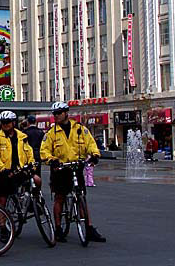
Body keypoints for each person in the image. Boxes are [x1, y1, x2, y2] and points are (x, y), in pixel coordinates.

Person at [40, 102, 106, 243]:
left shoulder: (80, 129)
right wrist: (52, 160)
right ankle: (58, 228)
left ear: (66, 113)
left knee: (81, 196)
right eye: (54, 114)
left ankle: (89, 228)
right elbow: (44, 150)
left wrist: (95, 155)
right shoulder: (51, 133)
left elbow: (91, 144)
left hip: (76, 167)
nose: (56, 116)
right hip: (60, 169)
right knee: (59, 197)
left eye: (59, 113)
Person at [0, 111, 38, 242]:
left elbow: (29, 152)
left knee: (37, 180)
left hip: (20, 169)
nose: (5, 125)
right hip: (5, 172)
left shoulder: (22, 136)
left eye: (8, 122)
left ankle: (35, 202)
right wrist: (2, 170)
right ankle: (3, 229)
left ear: (14, 123)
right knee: (2, 201)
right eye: (3, 122)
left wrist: (32, 166)